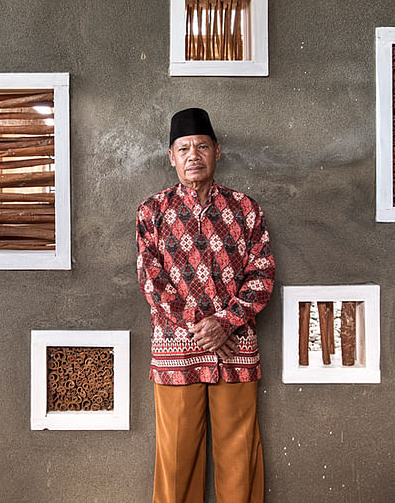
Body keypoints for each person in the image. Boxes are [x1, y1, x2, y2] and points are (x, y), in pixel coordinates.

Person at [136, 108, 275, 503]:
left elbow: (262, 275)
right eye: (183, 148)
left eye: (201, 146)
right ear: (171, 157)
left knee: (239, 455)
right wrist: (204, 328)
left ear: (217, 151)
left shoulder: (246, 209)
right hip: (176, 351)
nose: (192, 154)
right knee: (176, 460)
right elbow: (151, 281)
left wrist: (225, 324)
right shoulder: (152, 212)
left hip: (236, 350)